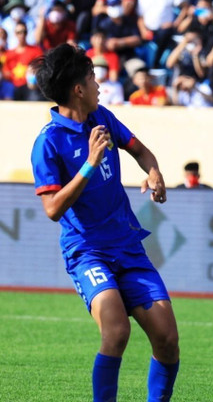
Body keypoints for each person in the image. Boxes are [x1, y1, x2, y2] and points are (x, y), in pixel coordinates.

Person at [29, 44, 179, 401]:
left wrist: (154, 173)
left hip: (127, 246)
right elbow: (52, 209)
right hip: (87, 251)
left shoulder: (103, 118)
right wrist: (89, 164)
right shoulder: (48, 143)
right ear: (78, 89)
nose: (100, 85)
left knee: (167, 338)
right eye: (93, 78)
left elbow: (141, 151)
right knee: (116, 331)